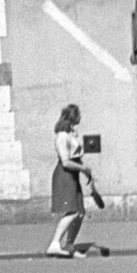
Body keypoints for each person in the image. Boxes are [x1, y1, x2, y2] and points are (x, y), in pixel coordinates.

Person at [47, 104, 91, 258]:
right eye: (78, 114)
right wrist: (84, 169)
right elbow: (65, 161)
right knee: (72, 211)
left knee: (79, 213)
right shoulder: (62, 136)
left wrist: (84, 172)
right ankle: (54, 244)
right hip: (65, 175)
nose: (80, 117)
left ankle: (69, 246)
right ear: (73, 116)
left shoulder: (70, 134)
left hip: (73, 175)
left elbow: (76, 156)